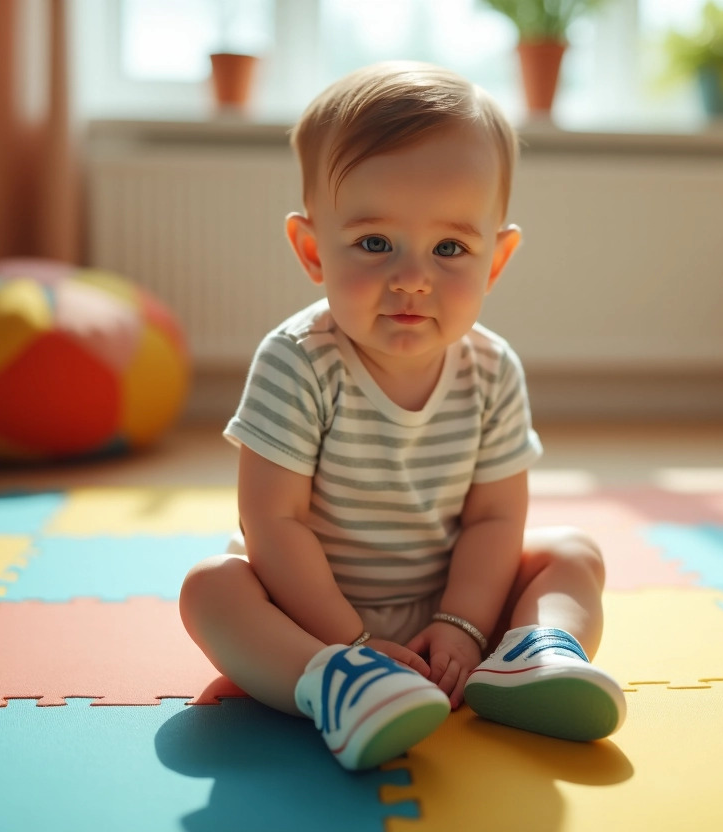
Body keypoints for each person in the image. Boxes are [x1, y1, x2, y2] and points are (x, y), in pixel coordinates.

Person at [179, 61, 625, 772]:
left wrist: (464, 625)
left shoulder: (492, 369)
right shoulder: (298, 362)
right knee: (212, 587)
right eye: (375, 243)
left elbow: (494, 521)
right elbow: (272, 524)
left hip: (453, 601)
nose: (412, 277)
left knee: (573, 552)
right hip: (315, 614)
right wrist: (347, 638)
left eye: (450, 248)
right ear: (311, 250)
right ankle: (334, 686)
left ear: (497, 259)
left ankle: (532, 657)